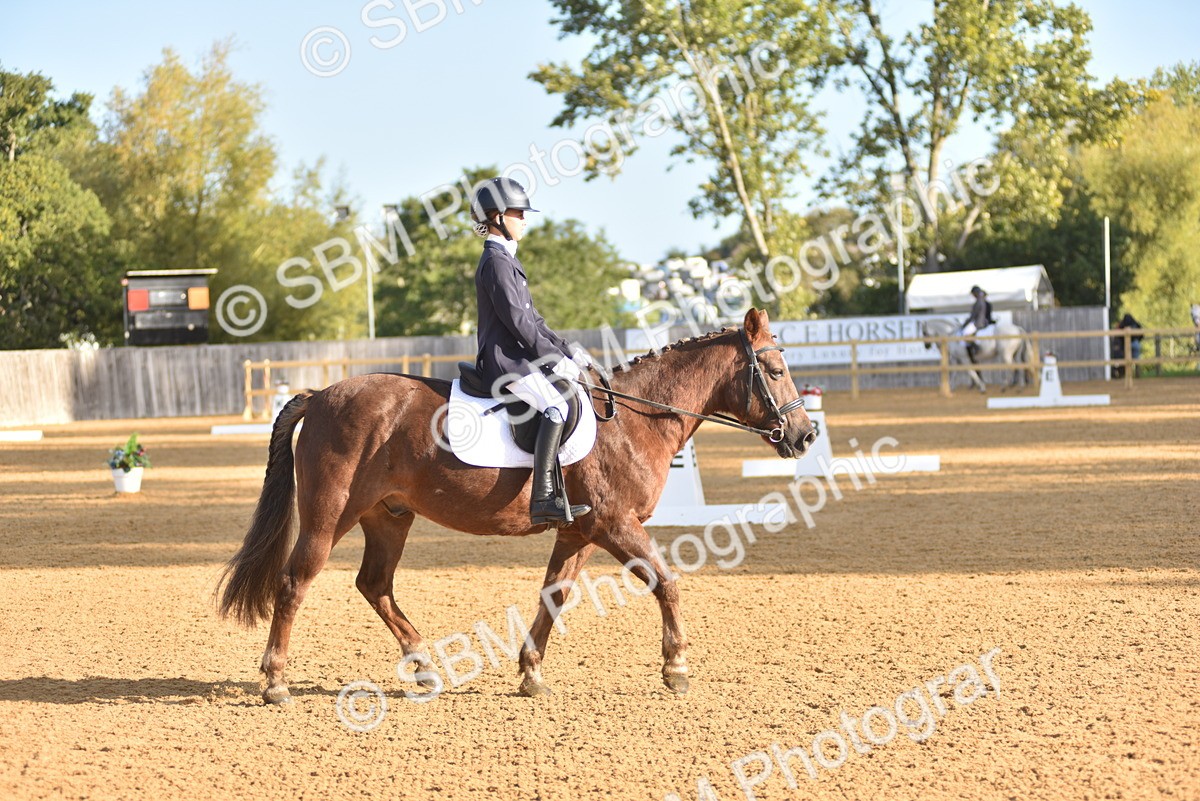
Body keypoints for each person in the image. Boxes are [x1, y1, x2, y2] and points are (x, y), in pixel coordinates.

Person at [470, 177, 592, 526]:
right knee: (554, 406)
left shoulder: (506, 260)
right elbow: (518, 324)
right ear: (496, 217)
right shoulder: (495, 261)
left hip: (519, 359)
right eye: (518, 212)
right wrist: (554, 362)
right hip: (505, 363)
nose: (524, 218)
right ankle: (543, 498)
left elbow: (534, 320)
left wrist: (568, 352)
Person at [959, 285, 995, 363]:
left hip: (979, 323)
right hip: (981, 321)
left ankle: (975, 347)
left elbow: (974, 315)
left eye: (973, 294)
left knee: (965, 333)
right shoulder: (981, 301)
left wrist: (965, 323)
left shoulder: (979, 302)